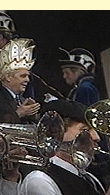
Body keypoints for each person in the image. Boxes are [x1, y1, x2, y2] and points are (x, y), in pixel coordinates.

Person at [19, 99, 106, 195]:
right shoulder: (40, 180)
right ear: (56, 133)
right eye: (85, 129)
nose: (96, 137)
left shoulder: (90, 178)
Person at [59, 47, 109, 190]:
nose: (64, 76)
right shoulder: (87, 87)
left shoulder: (84, 89)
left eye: (66, 72)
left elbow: (82, 117)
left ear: (78, 71)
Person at [0, 38, 40, 124]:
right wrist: (18, 114)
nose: (27, 80)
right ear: (8, 77)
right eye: (23, 76)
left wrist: (32, 116)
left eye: (28, 76)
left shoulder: (22, 100)